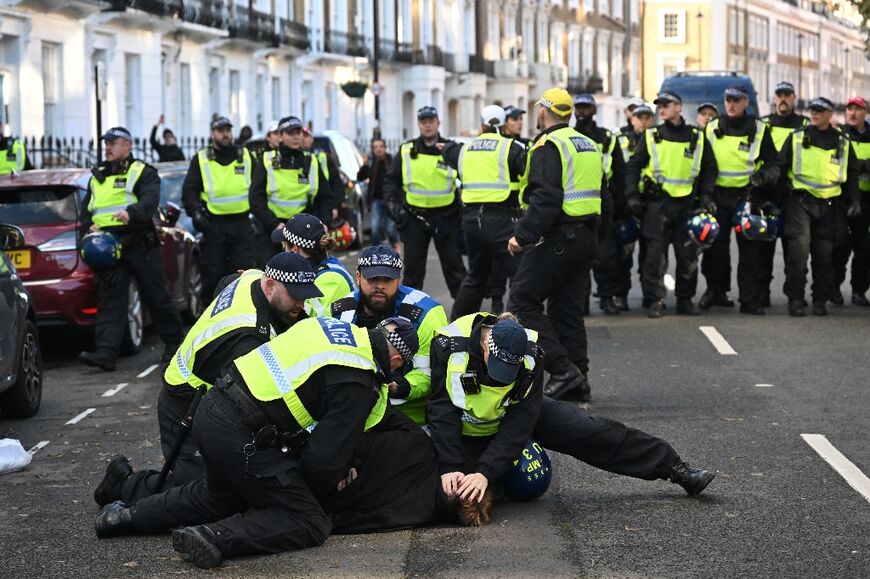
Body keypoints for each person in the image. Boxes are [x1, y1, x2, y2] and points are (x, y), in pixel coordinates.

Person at [93, 316, 422, 569]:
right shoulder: (360, 378)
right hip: (242, 433)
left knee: (216, 496)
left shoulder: (332, 329)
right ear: (397, 361)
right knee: (310, 520)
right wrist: (304, 494)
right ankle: (217, 537)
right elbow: (322, 462)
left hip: (211, 409)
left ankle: (124, 518)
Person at [92, 253, 321, 508]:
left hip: (203, 389)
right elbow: (250, 403)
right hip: (186, 402)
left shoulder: (253, 277)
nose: (301, 303)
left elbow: (226, 282)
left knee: (214, 484)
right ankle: (122, 485)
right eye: (295, 296)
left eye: (305, 295)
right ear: (270, 286)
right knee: (202, 490)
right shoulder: (248, 337)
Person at [428, 313, 717, 510]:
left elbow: (521, 420)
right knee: (456, 496)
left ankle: (676, 468)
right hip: (466, 429)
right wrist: (451, 465)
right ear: (484, 343)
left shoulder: (531, 354)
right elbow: (442, 410)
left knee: (589, 431)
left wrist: (486, 471)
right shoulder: (448, 345)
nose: (503, 376)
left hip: (514, 414)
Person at [506, 88, 609, 403]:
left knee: (522, 301)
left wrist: (521, 236)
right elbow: (606, 193)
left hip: (559, 237)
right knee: (567, 311)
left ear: (544, 111)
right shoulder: (587, 144)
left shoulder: (548, 145)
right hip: (586, 236)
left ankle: (562, 370)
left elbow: (546, 199)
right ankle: (579, 380)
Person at [77, 127, 184, 371]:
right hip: (108, 245)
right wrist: (88, 227)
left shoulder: (142, 172)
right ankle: (105, 352)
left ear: (128, 145)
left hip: (138, 241)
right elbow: (87, 211)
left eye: (113, 142)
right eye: (106, 143)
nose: (108, 147)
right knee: (111, 300)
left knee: (155, 295)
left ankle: (175, 345)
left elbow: (149, 200)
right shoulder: (98, 176)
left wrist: (131, 213)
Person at [625, 91, 718, 318]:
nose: (662, 109)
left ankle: (685, 300)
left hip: (688, 205)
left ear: (678, 107)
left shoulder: (696, 137)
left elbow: (709, 169)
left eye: (666, 105)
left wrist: (706, 196)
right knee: (655, 257)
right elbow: (633, 166)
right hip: (658, 205)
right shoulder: (651, 136)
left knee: (688, 257)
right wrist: (632, 195)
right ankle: (655, 299)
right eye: (660, 106)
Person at [330, 245, 447, 426]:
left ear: (398, 280)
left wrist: (401, 387)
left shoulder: (427, 314)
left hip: (409, 418)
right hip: (355, 413)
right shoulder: (340, 312)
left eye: (388, 279)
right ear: (358, 277)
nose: (380, 286)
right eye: (373, 278)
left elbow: (432, 374)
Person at [777, 97, 862, 316]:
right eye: (812, 110)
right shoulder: (797, 138)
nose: (814, 114)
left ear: (830, 114)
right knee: (799, 252)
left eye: (819, 111)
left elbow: (851, 174)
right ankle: (795, 299)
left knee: (824, 257)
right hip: (800, 203)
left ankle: (819, 300)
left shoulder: (842, 141)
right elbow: (779, 166)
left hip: (829, 206)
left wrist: (854, 200)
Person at [441, 105, 526, 320]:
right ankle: (517, 327)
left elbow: (446, 149)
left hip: (471, 222)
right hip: (502, 219)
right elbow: (529, 175)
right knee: (519, 276)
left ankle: (456, 327)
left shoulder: (464, 149)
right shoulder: (511, 147)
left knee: (475, 276)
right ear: (503, 123)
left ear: (481, 125)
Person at [702, 85, 780, 315]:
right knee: (715, 249)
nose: (731, 104)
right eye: (728, 99)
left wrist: (765, 176)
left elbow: (774, 163)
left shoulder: (758, 128)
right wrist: (705, 193)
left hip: (748, 197)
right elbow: (705, 164)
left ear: (746, 102)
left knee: (750, 251)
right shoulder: (712, 127)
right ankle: (716, 291)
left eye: (736, 100)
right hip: (718, 196)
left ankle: (749, 299)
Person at [384, 106, 466, 297]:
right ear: (419, 124)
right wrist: (394, 208)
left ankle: (467, 317)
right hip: (414, 217)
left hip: (446, 216)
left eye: (431, 121)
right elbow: (391, 180)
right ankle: (407, 319)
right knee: (413, 273)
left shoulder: (451, 149)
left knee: (455, 270)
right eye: (423, 122)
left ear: (438, 123)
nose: (428, 125)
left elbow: (467, 177)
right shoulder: (406, 150)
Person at [181, 116, 256, 302]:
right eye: (221, 130)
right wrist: (197, 213)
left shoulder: (245, 156)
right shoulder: (202, 159)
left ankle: (243, 313)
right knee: (213, 275)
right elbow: (189, 191)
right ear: (212, 133)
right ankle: (212, 315)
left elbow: (259, 188)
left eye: (228, 130)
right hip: (214, 225)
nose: (225, 134)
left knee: (243, 275)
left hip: (242, 225)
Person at [249, 115, 337, 263]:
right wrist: (274, 223)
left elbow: (325, 197)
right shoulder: (267, 160)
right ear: (281, 136)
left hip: (305, 230)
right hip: (273, 230)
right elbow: (255, 198)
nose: (296, 137)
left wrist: (323, 223)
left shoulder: (311, 161)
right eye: (291, 133)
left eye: (299, 133)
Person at [572, 93, 627, 316]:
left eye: (585, 108)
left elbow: (620, 173)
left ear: (594, 110)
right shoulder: (569, 136)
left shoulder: (606, 137)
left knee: (606, 257)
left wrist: (620, 204)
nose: (581, 111)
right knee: (578, 260)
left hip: (603, 204)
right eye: (578, 108)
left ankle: (606, 298)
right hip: (574, 206)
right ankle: (581, 302)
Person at [760, 81, 810, 308]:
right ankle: (761, 294)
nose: (783, 99)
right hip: (767, 194)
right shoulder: (763, 124)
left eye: (787, 95)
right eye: (779, 95)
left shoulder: (805, 124)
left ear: (794, 98)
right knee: (762, 249)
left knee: (795, 252)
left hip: (793, 196)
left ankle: (794, 296)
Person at [271, 213, 355, 316]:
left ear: (294, 248)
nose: (283, 251)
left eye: (284, 245)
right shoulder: (315, 268)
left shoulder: (331, 279)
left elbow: (308, 321)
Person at [832, 96, 870, 307]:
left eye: (858, 109)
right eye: (850, 109)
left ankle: (859, 290)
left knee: (864, 248)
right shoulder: (839, 135)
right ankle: (834, 287)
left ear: (865, 113)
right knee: (840, 245)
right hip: (842, 199)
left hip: (867, 201)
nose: (853, 113)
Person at [357, 137, 399, 247]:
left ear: (385, 147)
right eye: (375, 147)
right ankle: (377, 251)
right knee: (375, 229)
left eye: (380, 146)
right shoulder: (371, 162)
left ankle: (395, 247)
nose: (378, 149)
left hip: (391, 200)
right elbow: (360, 177)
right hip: (376, 200)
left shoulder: (392, 160)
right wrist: (364, 165)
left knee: (390, 229)